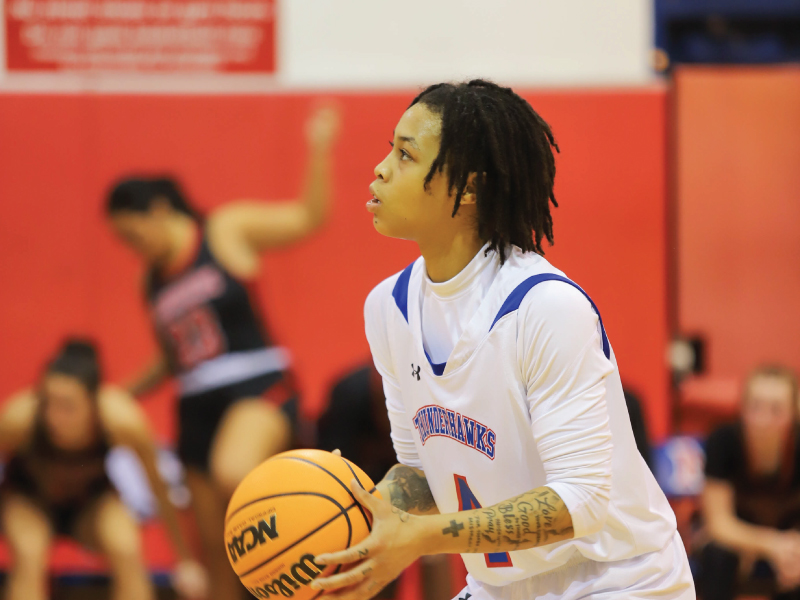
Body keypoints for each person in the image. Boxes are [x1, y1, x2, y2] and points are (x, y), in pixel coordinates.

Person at [310, 80, 695, 600]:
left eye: (406, 154)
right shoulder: (388, 307)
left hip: (618, 580)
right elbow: (423, 472)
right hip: (502, 587)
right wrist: (360, 523)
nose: (380, 168)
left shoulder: (543, 307)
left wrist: (421, 538)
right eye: (389, 149)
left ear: (468, 188)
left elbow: (580, 501)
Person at [106, 105, 340, 599]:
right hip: (195, 403)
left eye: (133, 234)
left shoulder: (224, 230)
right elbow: (171, 360)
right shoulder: (148, 280)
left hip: (257, 385)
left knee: (236, 473)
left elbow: (307, 218)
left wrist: (320, 146)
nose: (134, 247)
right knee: (216, 546)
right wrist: (120, 393)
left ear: (160, 211)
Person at [0, 339, 207, 600]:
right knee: (29, 552)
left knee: (126, 546)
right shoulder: (19, 419)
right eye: (48, 403)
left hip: (91, 503)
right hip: (31, 500)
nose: (54, 416)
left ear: (93, 404)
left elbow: (160, 489)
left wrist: (185, 560)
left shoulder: (121, 421)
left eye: (68, 406)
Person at [317, 363, 454, 600]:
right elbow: (331, 472)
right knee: (367, 547)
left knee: (435, 540)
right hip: (362, 477)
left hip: (418, 471)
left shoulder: (436, 396)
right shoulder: (348, 399)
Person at [700, 365, 800, 600]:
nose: (764, 419)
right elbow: (718, 523)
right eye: (755, 406)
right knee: (717, 555)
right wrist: (772, 545)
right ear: (742, 407)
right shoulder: (722, 440)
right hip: (739, 538)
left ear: (794, 411)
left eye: (776, 409)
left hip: (790, 542)